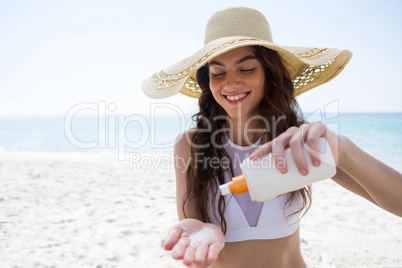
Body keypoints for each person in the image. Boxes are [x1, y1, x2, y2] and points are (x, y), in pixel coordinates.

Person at [141, 7, 402, 268]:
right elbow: (198, 255)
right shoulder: (190, 147)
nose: (231, 84)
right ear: (207, 81)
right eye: (218, 73)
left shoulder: (297, 142)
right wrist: (199, 235)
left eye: (247, 69)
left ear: (269, 72)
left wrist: (343, 150)